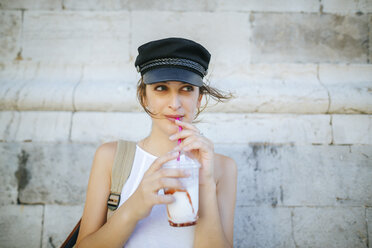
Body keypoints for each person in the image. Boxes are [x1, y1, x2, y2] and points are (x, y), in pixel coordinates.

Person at [75, 37, 237, 248]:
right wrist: (135, 206)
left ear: (198, 99)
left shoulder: (223, 168)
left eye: (186, 89)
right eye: (161, 88)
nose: (175, 104)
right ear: (144, 97)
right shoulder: (111, 157)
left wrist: (204, 182)